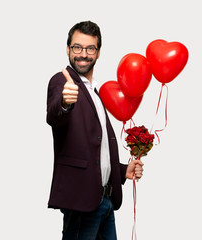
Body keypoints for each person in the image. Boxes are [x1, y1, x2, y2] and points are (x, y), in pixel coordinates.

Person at [46, 20, 144, 240]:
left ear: (98, 53)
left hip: (105, 202)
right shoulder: (62, 81)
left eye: (90, 48)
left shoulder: (94, 91)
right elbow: (53, 115)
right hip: (82, 203)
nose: (83, 54)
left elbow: (95, 148)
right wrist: (64, 102)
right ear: (68, 49)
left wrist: (121, 171)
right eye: (77, 47)